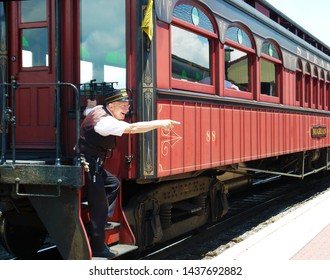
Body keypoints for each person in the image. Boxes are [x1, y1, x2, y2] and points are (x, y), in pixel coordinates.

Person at [79, 89, 180, 259]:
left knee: (113, 184)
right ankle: (97, 246)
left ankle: (103, 216)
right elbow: (132, 128)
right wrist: (160, 123)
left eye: (127, 105)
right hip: (90, 165)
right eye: (123, 105)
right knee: (99, 207)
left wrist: (89, 107)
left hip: (94, 163)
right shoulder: (105, 122)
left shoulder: (98, 110)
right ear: (111, 105)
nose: (126, 109)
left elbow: (87, 111)